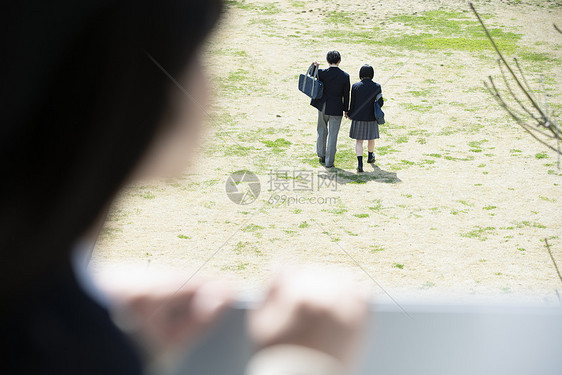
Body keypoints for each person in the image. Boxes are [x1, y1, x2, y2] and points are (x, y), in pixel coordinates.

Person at [0, 1, 367, 374]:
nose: (210, 87)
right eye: (197, 55)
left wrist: (86, 301)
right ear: (134, 93)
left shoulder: (34, 301)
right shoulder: (45, 346)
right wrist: (302, 360)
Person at [311, 51, 351, 169]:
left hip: (322, 105)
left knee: (321, 130)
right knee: (333, 135)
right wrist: (346, 110)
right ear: (339, 61)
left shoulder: (322, 73)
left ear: (327, 61)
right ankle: (329, 161)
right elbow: (346, 94)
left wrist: (314, 66)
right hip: (336, 108)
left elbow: (311, 75)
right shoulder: (345, 76)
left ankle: (321, 154)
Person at [347, 65, 384, 173]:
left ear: (361, 74)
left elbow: (352, 103)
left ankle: (360, 164)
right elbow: (380, 102)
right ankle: (370, 156)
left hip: (358, 117)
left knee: (359, 141)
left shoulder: (355, 86)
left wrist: (350, 114)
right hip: (371, 117)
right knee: (371, 139)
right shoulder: (377, 86)